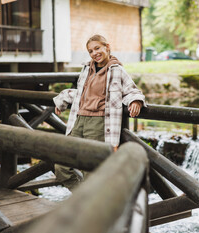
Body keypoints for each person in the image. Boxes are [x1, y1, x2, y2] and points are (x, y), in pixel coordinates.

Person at [53, 34, 146, 190]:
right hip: (78, 120)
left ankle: (90, 206)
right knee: (61, 165)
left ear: (107, 47)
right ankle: (83, 198)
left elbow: (131, 90)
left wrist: (135, 101)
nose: (94, 53)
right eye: (90, 51)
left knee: (91, 171)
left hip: (97, 124)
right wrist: (62, 99)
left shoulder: (117, 70)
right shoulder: (86, 69)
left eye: (97, 48)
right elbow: (81, 92)